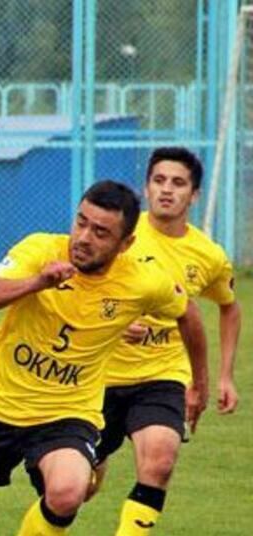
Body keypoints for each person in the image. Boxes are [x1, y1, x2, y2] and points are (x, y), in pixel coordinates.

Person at [0, 180, 206, 536]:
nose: (84, 237)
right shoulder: (41, 250)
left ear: (125, 244)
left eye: (100, 232)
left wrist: (199, 383)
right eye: (81, 222)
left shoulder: (143, 281)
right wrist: (38, 282)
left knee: (68, 492)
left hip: (66, 412)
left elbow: (188, 313)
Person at [89, 147, 240, 535]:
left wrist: (224, 376)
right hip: (100, 373)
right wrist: (116, 322)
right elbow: (82, 289)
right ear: (146, 188)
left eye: (178, 183)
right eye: (158, 181)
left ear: (194, 195)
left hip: (163, 374)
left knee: (159, 462)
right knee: (78, 487)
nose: (167, 190)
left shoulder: (208, 255)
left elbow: (229, 307)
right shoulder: (119, 236)